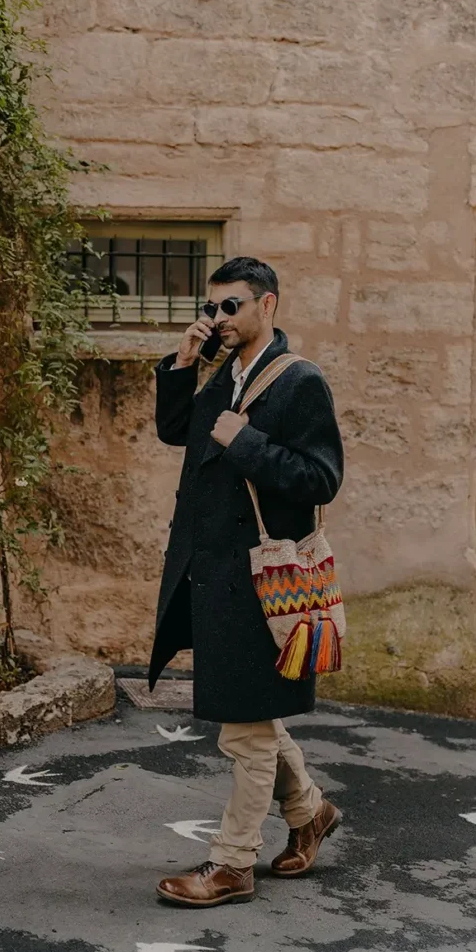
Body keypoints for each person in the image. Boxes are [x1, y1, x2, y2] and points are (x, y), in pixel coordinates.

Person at [148, 256, 345, 907]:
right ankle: (310, 812)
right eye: (213, 308)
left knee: (243, 733)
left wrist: (247, 443)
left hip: (263, 588)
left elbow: (321, 479)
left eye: (231, 306)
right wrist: (183, 364)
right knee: (252, 717)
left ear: (268, 306)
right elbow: (175, 432)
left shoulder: (298, 383)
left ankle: (231, 864)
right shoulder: (224, 378)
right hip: (216, 581)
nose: (220, 318)